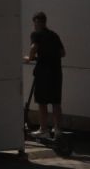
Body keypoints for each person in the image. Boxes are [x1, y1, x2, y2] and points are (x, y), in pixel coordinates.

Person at [24, 11, 65, 139]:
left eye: (35, 23)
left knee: (42, 102)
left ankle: (43, 130)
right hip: (56, 72)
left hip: (43, 72)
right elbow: (63, 53)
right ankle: (58, 129)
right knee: (56, 102)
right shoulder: (54, 35)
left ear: (38, 22)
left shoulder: (37, 34)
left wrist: (29, 58)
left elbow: (33, 48)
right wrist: (50, 54)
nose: (34, 26)